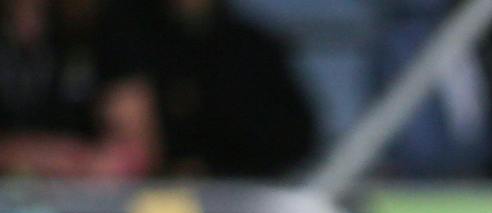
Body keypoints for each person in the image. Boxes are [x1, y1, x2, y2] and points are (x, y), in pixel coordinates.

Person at [143, 0, 315, 178]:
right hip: (150, 190)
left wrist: (217, 167)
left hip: (247, 188)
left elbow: (294, 136)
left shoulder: (252, 49)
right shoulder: (138, 48)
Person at [0, 0, 155, 180]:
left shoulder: (101, 28)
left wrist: (95, 163)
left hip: (86, 197)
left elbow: (137, 149)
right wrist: (47, 158)